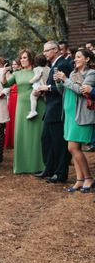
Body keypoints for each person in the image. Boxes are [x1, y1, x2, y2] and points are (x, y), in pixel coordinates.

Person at [54, 49, 95, 192]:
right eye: (75, 57)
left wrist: (65, 80)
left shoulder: (91, 74)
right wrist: (60, 83)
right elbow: (65, 91)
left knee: (73, 147)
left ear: (87, 59)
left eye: (78, 57)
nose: (75, 59)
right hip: (69, 115)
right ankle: (79, 180)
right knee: (73, 149)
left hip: (81, 115)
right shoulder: (72, 73)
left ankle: (89, 178)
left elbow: (81, 90)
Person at [35, 41, 73, 182]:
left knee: (59, 143)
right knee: (46, 140)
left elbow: (66, 88)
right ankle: (49, 169)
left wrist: (48, 88)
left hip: (58, 110)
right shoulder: (54, 65)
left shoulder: (62, 64)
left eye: (46, 50)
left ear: (55, 50)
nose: (44, 53)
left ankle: (60, 173)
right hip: (50, 109)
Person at [3, 49, 45, 174]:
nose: (22, 60)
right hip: (21, 106)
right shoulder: (17, 73)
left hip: (38, 105)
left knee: (37, 135)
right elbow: (5, 85)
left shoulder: (37, 71)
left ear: (31, 58)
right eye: (21, 58)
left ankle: (40, 165)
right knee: (22, 135)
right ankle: (22, 166)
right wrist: (4, 74)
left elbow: (43, 84)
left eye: (25, 57)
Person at [4, 59, 20, 150]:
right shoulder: (11, 75)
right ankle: (10, 141)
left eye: (15, 64)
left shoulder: (19, 74)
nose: (14, 66)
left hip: (18, 98)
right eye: (13, 64)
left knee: (16, 118)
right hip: (11, 98)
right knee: (11, 119)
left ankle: (16, 141)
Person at [27, 54, 49, 119]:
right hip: (46, 85)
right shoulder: (49, 68)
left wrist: (30, 81)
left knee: (33, 97)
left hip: (39, 86)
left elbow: (37, 77)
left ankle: (33, 111)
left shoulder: (36, 69)